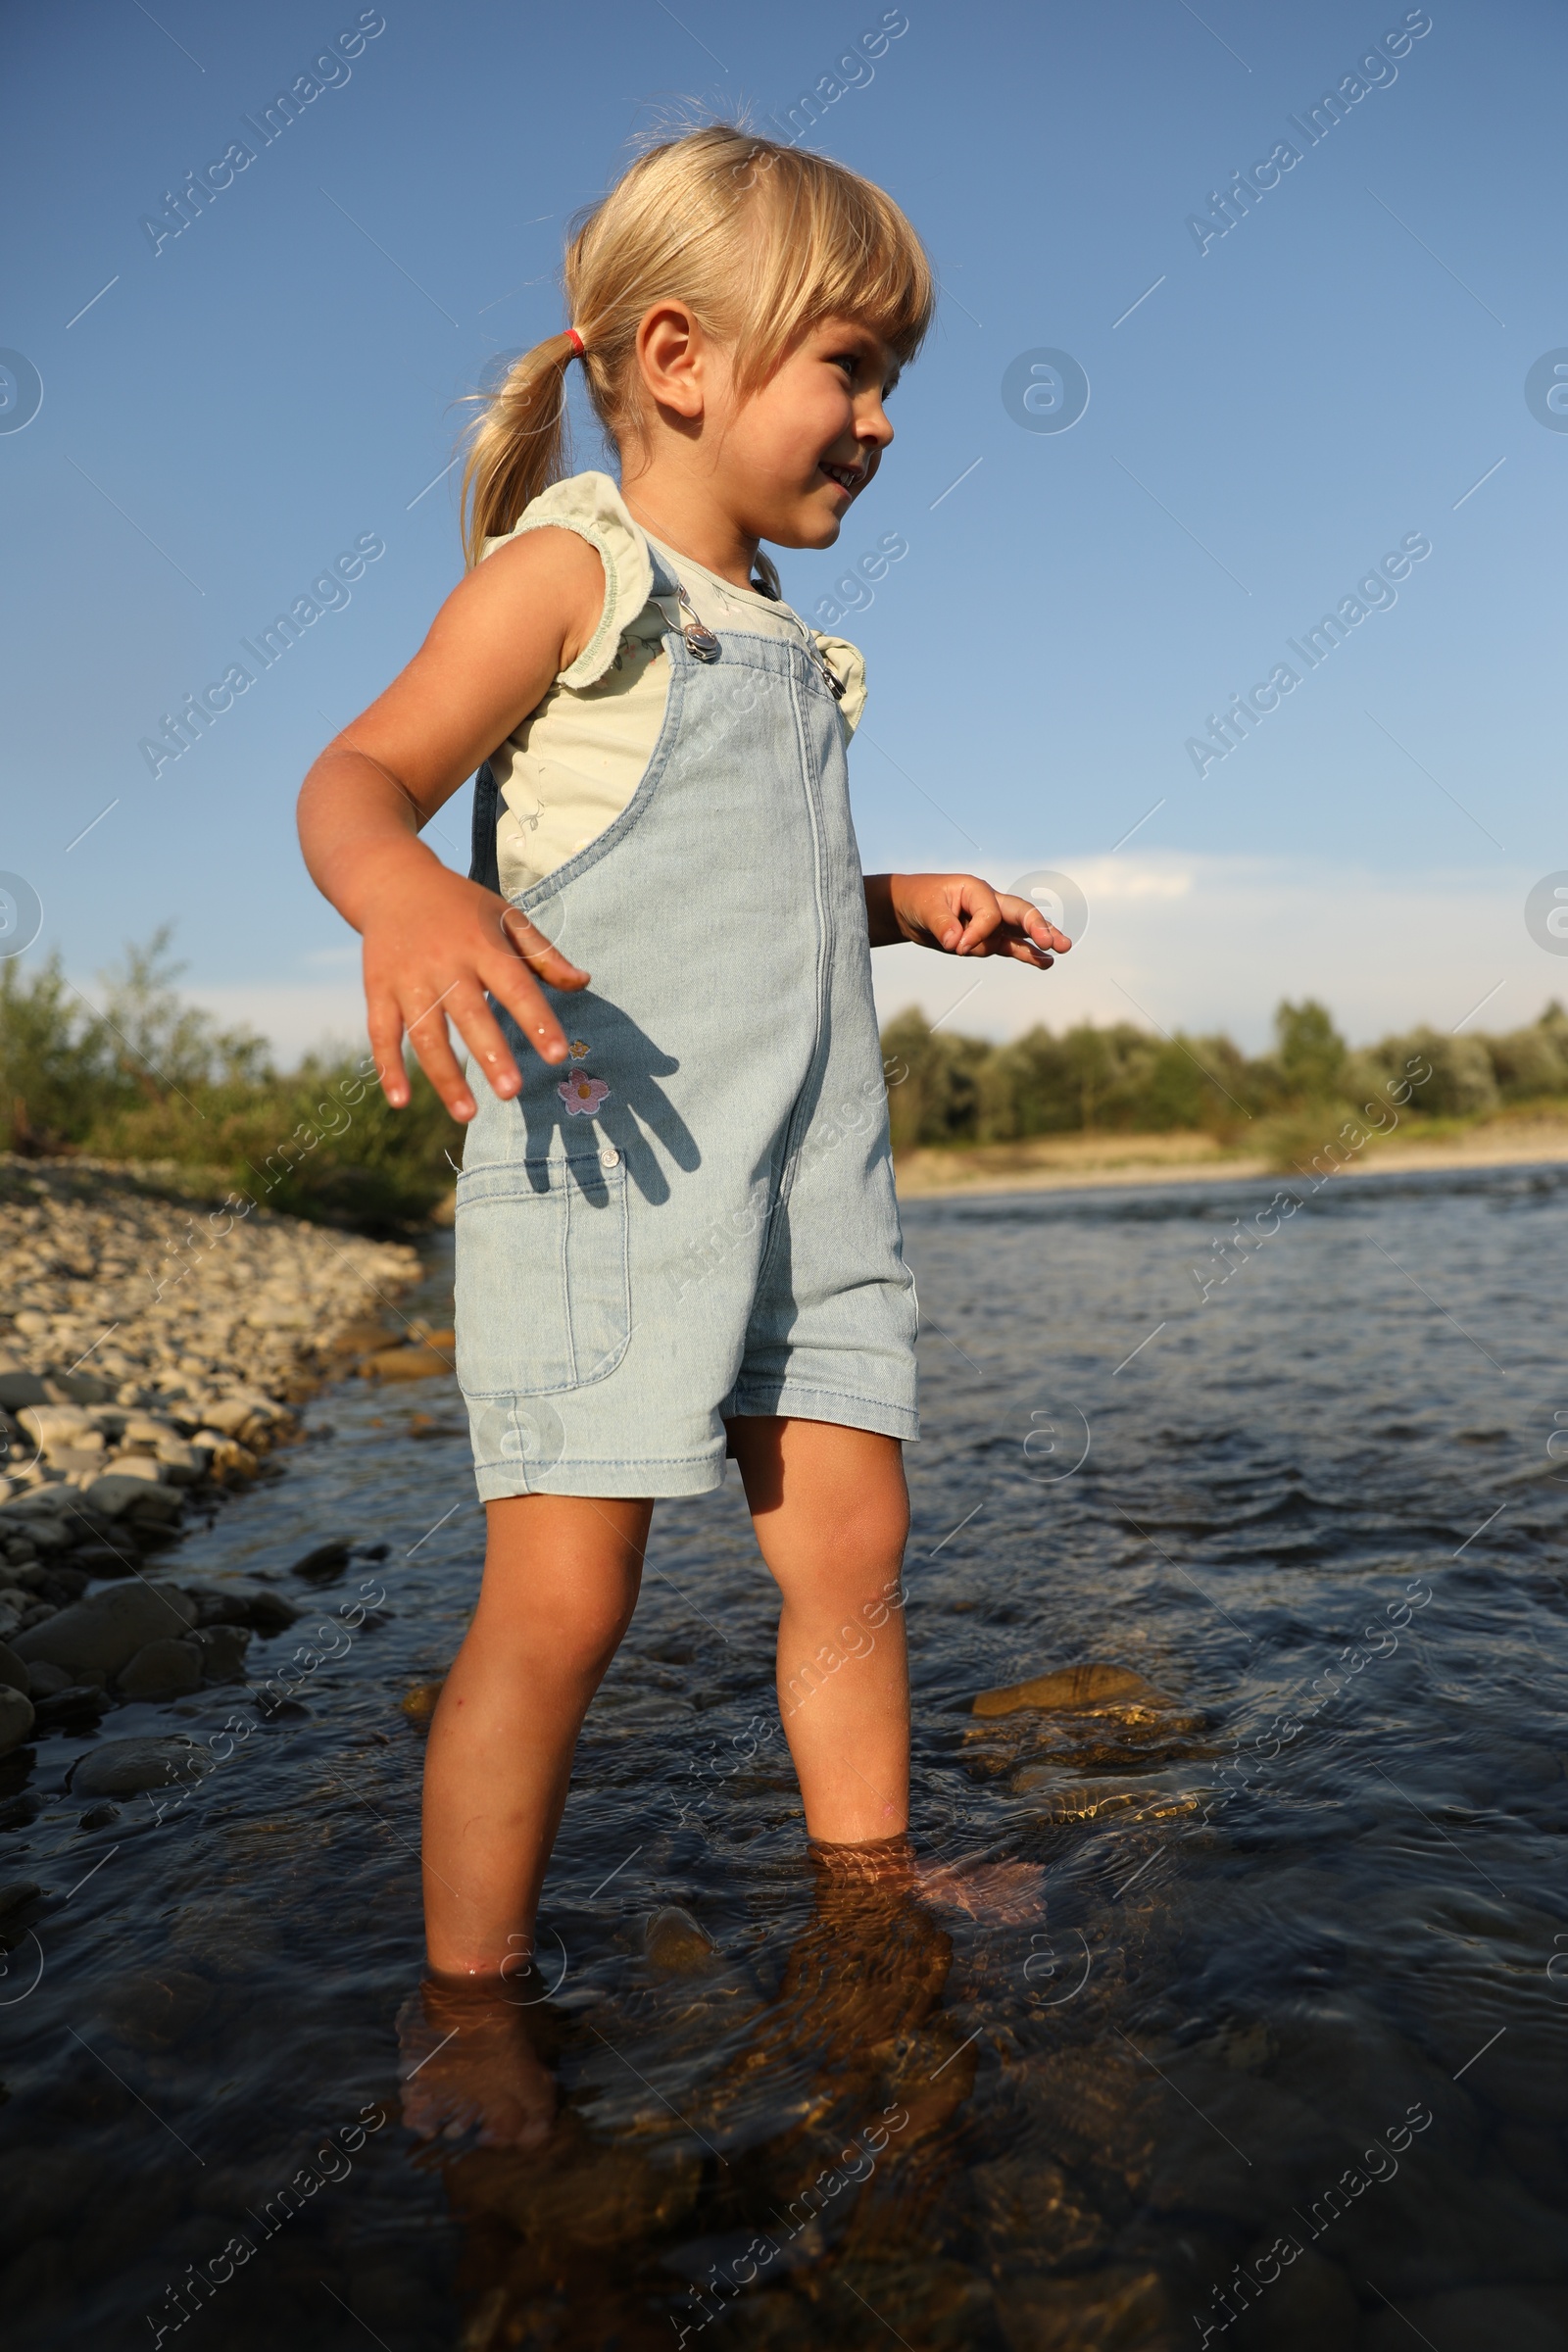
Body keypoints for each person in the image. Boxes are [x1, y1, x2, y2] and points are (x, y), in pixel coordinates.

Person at [297, 124, 1069, 2135]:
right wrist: (404, 895)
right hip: (604, 1167)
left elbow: (766, 905)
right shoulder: (570, 574)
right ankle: (466, 1997)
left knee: (857, 1557)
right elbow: (356, 775)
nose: (882, 418)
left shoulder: (796, 655)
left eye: (890, 375)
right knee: (562, 1601)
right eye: (850, 365)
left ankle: (869, 1893)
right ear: (677, 357)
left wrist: (905, 905)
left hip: (811, 1183)